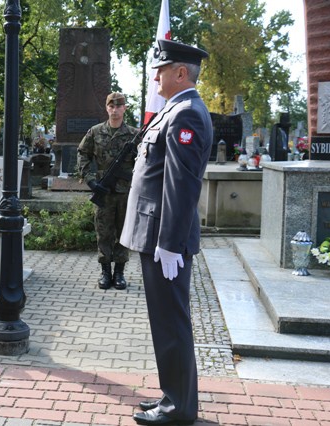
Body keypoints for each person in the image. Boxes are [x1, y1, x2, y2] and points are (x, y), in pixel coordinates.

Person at [119, 40, 212, 425]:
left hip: (164, 240)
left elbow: (181, 183)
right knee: (166, 321)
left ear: (181, 73)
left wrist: (170, 244)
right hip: (156, 235)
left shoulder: (186, 114)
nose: (155, 75)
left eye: (162, 68)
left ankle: (178, 408)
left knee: (172, 322)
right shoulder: (171, 111)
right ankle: (173, 395)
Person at [77, 92, 138, 290]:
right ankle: (105, 272)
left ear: (124, 108)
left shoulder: (134, 134)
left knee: (123, 231)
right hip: (103, 189)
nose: (115, 110)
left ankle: (119, 272)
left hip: (125, 192)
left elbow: (145, 161)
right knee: (103, 231)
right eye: (111, 106)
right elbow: (83, 154)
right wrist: (90, 181)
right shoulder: (95, 132)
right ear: (107, 108)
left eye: (118, 106)